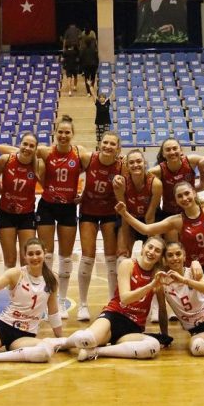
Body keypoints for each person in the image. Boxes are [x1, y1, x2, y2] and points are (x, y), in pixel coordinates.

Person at [62, 236, 169, 361]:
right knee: (87, 339)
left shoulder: (157, 275)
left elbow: (162, 308)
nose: (152, 252)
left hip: (134, 326)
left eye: (157, 250)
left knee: (153, 346)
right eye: (150, 247)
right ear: (143, 248)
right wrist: (150, 286)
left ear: (160, 257)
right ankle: (61, 343)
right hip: (114, 316)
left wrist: (165, 335)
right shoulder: (128, 264)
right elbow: (125, 298)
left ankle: (96, 352)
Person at [116, 181, 204, 287]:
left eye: (187, 193)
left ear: (194, 193)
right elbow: (146, 229)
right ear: (176, 200)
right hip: (190, 270)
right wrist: (124, 214)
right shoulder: (176, 221)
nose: (184, 198)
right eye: (179, 196)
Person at [34, 115, 91, 318]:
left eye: (67, 132)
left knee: (65, 258)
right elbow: (20, 152)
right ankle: (45, 299)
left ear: (72, 134)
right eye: (60, 132)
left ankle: (61, 301)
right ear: (55, 133)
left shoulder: (79, 152)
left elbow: (97, 170)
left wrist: (83, 195)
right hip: (47, 206)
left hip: (68, 208)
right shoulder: (45, 151)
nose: (63, 135)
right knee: (47, 255)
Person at [76, 131, 124, 321]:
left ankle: (113, 303)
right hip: (88, 210)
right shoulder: (89, 158)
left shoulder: (122, 166)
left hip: (110, 213)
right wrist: (77, 194)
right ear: (100, 144)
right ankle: (82, 304)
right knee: (87, 256)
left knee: (111, 259)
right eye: (106, 142)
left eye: (112, 144)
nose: (108, 146)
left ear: (118, 148)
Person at [0, 132, 41, 270]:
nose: (27, 148)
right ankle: (10, 285)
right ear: (19, 144)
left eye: (31, 145)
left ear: (35, 149)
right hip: (6, 213)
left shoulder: (37, 165)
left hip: (27, 214)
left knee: (27, 259)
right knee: (10, 260)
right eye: (25, 144)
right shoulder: (6, 160)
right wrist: (0, 191)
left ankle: (26, 285)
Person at [148, 138, 203, 238]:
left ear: (180, 150)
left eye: (175, 148)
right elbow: (139, 174)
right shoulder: (157, 171)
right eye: (168, 150)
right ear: (163, 154)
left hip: (192, 210)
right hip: (170, 214)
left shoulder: (192, 161)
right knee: (173, 244)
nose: (172, 152)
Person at [113, 149, 163, 259]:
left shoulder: (156, 184)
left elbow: (150, 217)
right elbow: (124, 214)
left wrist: (150, 242)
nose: (135, 165)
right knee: (122, 254)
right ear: (127, 166)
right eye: (131, 162)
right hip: (128, 219)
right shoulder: (121, 184)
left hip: (150, 220)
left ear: (145, 163)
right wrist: (124, 244)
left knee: (153, 254)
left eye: (139, 161)